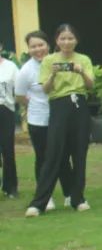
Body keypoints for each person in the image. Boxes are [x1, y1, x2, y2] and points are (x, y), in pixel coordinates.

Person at [26, 24, 94, 217]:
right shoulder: (49, 60)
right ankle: (39, 202)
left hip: (79, 105)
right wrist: (54, 73)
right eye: (62, 39)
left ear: (76, 40)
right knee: (53, 153)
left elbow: (90, 86)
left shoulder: (84, 59)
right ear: (56, 41)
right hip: (58, 106)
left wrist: (80, 71)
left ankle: (77, 198)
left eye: (70, 38)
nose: (66, 42)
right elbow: (46, 89)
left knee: (79, 153)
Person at [15, 31, 71, 210]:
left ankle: (70, 194)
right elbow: (20, 96)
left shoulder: (59, 61)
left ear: (48, 45)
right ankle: (45, 197)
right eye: (33, 46)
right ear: (29, 49)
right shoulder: (26, 70)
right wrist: (33, 105)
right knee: (43, 158)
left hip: (60, 118)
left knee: (63, 156)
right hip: (38, 121)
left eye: (41, 45)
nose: (37, 49)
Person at [0, 46, 17, 197]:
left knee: (7, 149)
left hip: (5, 109)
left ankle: (10, 187)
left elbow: (19, 88)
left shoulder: (10, 66)